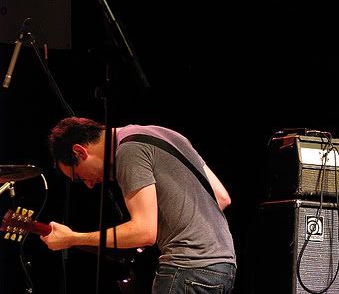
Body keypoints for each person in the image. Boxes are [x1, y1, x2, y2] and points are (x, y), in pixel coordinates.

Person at [40, 117, 237, 293]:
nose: (89, 184)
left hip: (186, 269)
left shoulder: (128, 150)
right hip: (223, 268)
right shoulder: (166, 134)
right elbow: (221, 198)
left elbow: (143, 232)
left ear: (80, 151)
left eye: (78, 176)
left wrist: (73, 238)